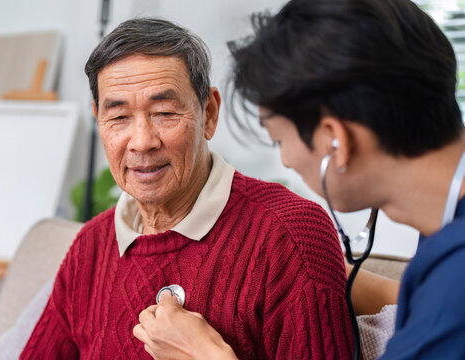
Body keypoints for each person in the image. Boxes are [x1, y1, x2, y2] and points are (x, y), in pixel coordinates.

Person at [134, 0, 465, 359]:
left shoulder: (454, 283)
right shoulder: (442, 245)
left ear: (334, 140)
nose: (288, 161)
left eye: (280, 139)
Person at [20, 17, 354, 359]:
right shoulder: (90, 247)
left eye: (164, 112)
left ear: (208, 113)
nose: (141, 141)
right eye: (119, 117)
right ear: (98, 120)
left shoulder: (289, 234)